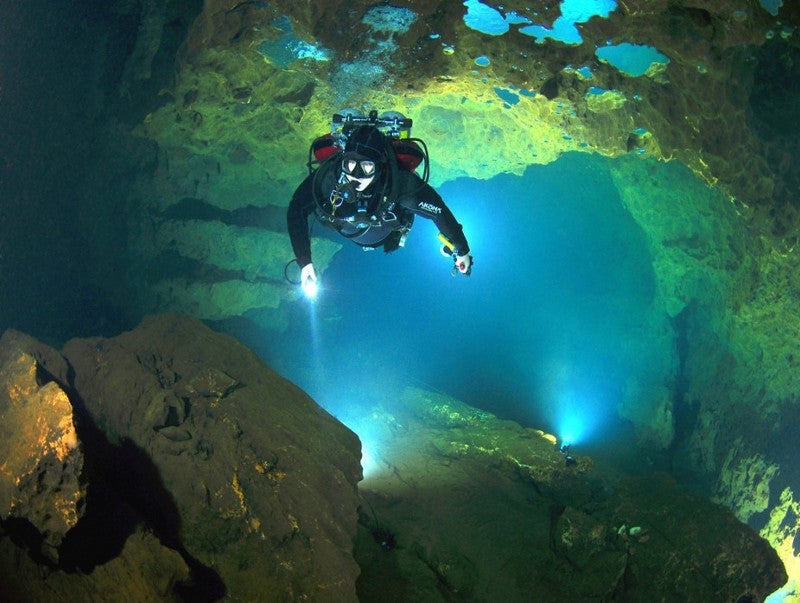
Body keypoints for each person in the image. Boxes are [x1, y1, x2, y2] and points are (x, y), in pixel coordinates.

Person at [287, 125, 472, 294]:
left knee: (396, 234)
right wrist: (305, 262)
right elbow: (296, 210)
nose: (356, 176)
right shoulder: (328, 180)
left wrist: (462, 249)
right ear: (342, 163)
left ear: (380, 167)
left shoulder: (399, 185)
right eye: (350, 165)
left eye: (367, 167)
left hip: (388, 235)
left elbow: (437, 210)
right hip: (357, 230)